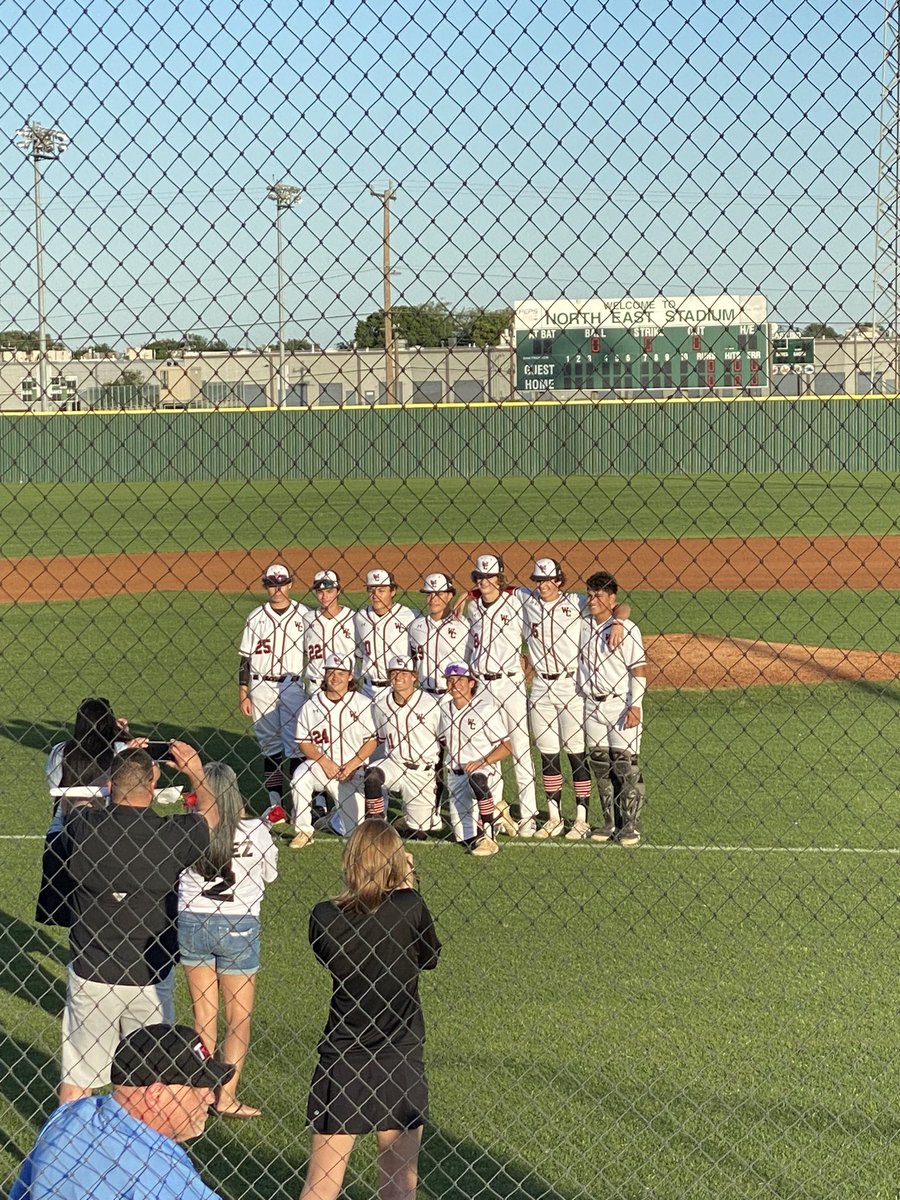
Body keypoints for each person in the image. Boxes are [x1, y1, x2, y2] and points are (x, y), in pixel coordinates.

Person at [59, 743, 218, 1104]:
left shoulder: (84, 828)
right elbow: (210, 814)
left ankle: (67, 1155)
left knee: (78, 1077)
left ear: (112, 784)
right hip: (149, 973)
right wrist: (195, 772)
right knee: (147, 1082)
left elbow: (78, 802)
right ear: (152, 786)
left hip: (92, 970)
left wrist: (118, 764)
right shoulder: (170, 835)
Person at [301, 820, 440, 1200]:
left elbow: (327, 958)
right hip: (399, 1051)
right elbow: (429, 957)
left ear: (350, 861)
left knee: (322, 1182)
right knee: (399, 1183)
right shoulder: (409, 905)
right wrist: (408, 886)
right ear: (397, 861)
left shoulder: (324, 915)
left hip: (343, 1054)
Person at [11, 1024, 234, 1200]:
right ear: (156, 1096)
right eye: (198, 1087)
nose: (211, 1097)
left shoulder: (70, 1116)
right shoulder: (160, 1174)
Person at [177, 763, 279, 1118]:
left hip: (192, 921)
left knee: (204, 1015)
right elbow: (270, 876)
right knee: (238, 1018)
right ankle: (227, 1096)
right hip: (239, 925)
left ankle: (200, 1093)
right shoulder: (257, 831)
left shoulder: (189, 828)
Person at [521, 557, 629, 840]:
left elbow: (616, 604)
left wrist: (618, 620)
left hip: (571, 686)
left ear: (559, 580)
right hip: (540, 687)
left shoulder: (576, 602)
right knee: (547, 754)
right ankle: (554, 816)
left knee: (576, 754)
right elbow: (495, 590)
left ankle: (581, 818)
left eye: (547, 580)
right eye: (538, 581)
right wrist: (469, 594)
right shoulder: (526, 600)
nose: (542, 585)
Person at [38, 698, 143, 927]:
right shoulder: (120, 750)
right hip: (107, 837)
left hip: (64, 832)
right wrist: (124, 735)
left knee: (70, 910)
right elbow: (132, 777)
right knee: (102, 912)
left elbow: (54, 787)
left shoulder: (60, 751)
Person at [464, 554, 538, 836]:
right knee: (485, 749)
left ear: (500, 577)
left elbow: (533, 593)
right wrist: (470, 593)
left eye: (489, 576)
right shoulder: (472, 608)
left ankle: (529, 814)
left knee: (519, 748)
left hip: (510, 685)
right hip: (482, 687)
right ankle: (493, 810)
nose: (484, 582)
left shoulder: (516, 602)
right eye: (479, 578)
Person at [578, 571, 647, 846]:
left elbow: (639, 669)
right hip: (590, 705)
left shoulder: (627, 629)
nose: (592, 600)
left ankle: (631, 825)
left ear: (612, 598)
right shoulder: (582, 626)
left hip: (620, 704)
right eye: (590, 594)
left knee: (625, 766)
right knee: (600, 765)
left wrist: (636, 705)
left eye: (599, 595)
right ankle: (610, 822)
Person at [238, 563, 310, 808]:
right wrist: (243, 691)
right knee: (270, 745)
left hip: (293, 686)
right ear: (266, 586)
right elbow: (245, 658)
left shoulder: (305, 615)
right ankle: (275, 802)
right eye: (272, 584)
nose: (277, 589)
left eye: (281, 584)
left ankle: (302, 802)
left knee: (297, 744)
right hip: (261, 687)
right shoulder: (256, 616)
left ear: (290, 584)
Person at [289, 654, 379, 849]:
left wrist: (353, 764)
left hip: (354, 772)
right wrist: (324, 761)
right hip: (323, 768)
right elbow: (303, 742)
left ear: (350, 677)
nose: (335, 677)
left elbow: (372, 741)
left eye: (340, 673)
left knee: (354, 833)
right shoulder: (312, 705)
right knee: (300, 776)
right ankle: (304, 830)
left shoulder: (362, 704)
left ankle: (332, 821)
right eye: (330, 672)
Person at [437, 663, 513, 856]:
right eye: (451, 680)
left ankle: (490, 837)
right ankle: (497, 813)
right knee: (464, 839)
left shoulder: (485, 709)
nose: (455, 685)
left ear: (471, 683)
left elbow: (506, 746)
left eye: (460, 680)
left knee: (477, 779)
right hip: (455, 777)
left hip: (483, 773)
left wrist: (483, 762)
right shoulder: (444, 710)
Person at [365, 656, 443, 837]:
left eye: (404, 673)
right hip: (395, 765)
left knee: (419, 833)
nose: (398, 676)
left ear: (414, 676)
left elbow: (445, 740)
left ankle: (409, 820)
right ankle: (377, 824)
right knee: (372, 776)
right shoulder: (381, 705)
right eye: (394, 672)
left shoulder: (431, 704)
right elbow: (379, 737)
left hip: (422, 772)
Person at [354, 568, 417, 698]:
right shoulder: (360, 617)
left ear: (393, 591)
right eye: (371, 590)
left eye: (381, 590)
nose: (375, 595)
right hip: (367, 689)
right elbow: (360, 651)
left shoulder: (408, 616)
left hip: (397, 688)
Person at [304, 570, 357, 694]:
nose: (325, 597)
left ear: (338, 591)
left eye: (329, 591)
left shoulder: (353, 619)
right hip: (315, 688)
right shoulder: (307, 619)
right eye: (320, 592)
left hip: (344, 687)